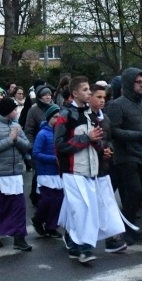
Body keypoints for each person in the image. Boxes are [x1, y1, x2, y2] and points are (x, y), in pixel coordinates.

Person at [55, 77, 120, 262]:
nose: (89, 93)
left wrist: (102, 151)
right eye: (85, 90)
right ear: (75, 93)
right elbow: (59, 145)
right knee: (81, 209)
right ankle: (83, 247)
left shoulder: (91, 116)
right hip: (72, 171)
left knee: (87, 210)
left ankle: (77, 246)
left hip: (91, 171)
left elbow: (95, 140)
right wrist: (87, 139)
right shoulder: (66, 115)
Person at [105, 67, 142, 244]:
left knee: (138, 194)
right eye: (137, 82)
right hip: (126, 155)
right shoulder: (117, 104)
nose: (141, 85)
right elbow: (112, 131)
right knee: (133, 191)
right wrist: (134, 136)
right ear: (129, 83)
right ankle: (124, 229)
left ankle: (129, 228)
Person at [0, 96, 32, 251]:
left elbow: (27, 146)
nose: (16, 112)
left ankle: (19, 238)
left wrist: (16, 140)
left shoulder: (17, 126)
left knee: (18, 207)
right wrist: (10, 140)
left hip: (15, 173)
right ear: (7, 111)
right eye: (14, 109)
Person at [88, 83, 128, 253]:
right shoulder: (83, 117)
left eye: (104, 97)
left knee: (107, 203)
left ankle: (113, 239)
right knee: (86, 206)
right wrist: (98, 151)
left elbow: (109, 138)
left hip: (103, 168)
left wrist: (108, 149)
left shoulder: (105, 118)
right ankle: (74, 237)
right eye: (98, 97)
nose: (102, 101)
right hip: (86, 170)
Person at [31, 104, 64, 238]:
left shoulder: (60, 133)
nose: (57, 119)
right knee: (47, 200)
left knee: (58, 201)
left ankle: (52, 226)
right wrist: (53, 159)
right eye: (55, 117)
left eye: (59, 117)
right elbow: (36, 153)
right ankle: (38, 219)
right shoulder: (42, 134)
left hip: (58, 173)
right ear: (49, 117)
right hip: (45, 173)